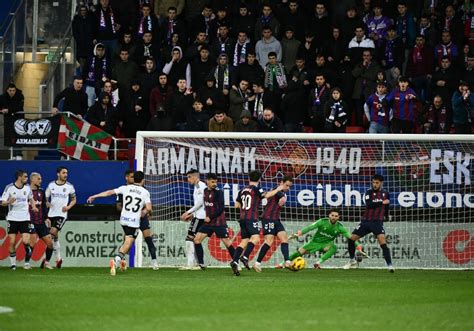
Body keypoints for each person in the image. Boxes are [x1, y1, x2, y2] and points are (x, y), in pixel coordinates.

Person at [87, 171, 152, 276]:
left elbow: (109, 192)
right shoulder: (145, 192)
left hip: (123, 220)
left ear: (134, 179)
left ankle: (122, 261)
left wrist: (95, 196)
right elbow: (148, 208)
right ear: (143, 180)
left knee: (127, 240)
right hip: (133, 222)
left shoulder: (125, 188)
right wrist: (145, 212)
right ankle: (117, 260)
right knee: (128, 242)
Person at [230, 170, 284, 276]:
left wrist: (244, 211)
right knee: (256, 238)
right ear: (259, 179)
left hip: (242, 218)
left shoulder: (242, 190)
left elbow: (236, 205)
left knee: (244, 241)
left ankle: (235, 261)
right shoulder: (256, 188)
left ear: (249, 178)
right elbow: (266, 195)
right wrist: (278, 189)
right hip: (252, 218)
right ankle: (245, 257)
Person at [344, 174, 394, 273]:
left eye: (377, 183)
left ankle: (390, 266)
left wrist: (387, 216)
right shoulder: (368, 192)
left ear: (381, 183)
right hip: (366, 222)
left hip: (377, 223)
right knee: (351, 239)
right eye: (373, 182)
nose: (374, 184)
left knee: (383, 243)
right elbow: (370, 205)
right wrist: (383, 202)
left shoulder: (386, 193)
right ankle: (351, 260)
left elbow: (386, 206)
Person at [288, 209, 366, 269]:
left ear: (339, 217)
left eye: (336, 216)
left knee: (334, 247)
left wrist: (358, 247)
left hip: (326, 245)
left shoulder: (340, 227)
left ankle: (318, 263)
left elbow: (351, 237)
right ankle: (283, 263)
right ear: (329, 215)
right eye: (332, 215)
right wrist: (298, 234)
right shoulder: (322, 222)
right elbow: (309, 228)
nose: (334, 217)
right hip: (314, 242)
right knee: (298, 253)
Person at [116, 170, 158, 270]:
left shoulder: (143, 190)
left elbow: (148, 206)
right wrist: (129, 212)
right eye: (130, 177)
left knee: (148, 238)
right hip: (131, 218)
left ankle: (154, 261)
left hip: (142, 218)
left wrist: (148, 213)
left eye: (133, 177)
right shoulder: (124, 190)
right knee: (127, 241)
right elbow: (118, 206)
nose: (132, 178)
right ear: (127, 178)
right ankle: (122, 260)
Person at [193, 173, 236, 269]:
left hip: (219, 222)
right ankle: (201, 264)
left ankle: (236, 262)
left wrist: (210, 217)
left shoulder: (218, 192)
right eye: (212, 182)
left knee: (227, 243)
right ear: (207, 181)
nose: (214, 184)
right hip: (209, 223)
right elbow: (204, 204)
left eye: (216, 182)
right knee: (196, 240)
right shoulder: (205, 191)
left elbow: (221, 208)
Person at [253, 176, 293, 272]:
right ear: (281, 183)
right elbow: (279, 194)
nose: (288, 188)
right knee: (269, 241)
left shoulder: (280, 191)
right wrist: (282, 197)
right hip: (268, 218)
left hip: (276, 219)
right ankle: (257, 263)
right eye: (286, 185)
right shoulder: (277, 189)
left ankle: (287, 261)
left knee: (284, 238)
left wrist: (283, 197)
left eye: (289, 186)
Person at [1, 170, 37, 270]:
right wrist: (8, 201)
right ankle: (13, 264)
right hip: (12, 218)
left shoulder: (27, 188)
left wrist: (33, 206)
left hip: (25, 218)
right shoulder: (9, 187)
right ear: (19, 177)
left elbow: (31, 199)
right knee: (12, 242)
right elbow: (2, 202)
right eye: (25, 176)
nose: (27, 178)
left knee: (26, 241)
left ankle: (27, 258)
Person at [44, 167, 77, 269]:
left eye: (66, 173)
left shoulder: (69, 186)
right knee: (54, 236)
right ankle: (58, 258)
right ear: (58, 174)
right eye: (63, 173)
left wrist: (68, 207)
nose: (66, 174)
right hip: (51, 214)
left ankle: (48, 261)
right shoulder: (51, 185)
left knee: (52, 232)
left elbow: (74, 200)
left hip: (62, 214)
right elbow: (45, 197)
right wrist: (47, 202)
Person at [180, 169, 206, 270]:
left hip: (200, 218)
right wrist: (192, 214)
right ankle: (199, 264)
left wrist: (188, 212)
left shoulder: (200, 186)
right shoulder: (197, 186)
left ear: (195, 177)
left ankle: (191, 264)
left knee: (190, 238)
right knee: (195, 240)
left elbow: (199, 203)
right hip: (198, 216)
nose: (188, 179)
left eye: (189, 177)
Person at [28, 172, 54, 270]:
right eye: (39, 179)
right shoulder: (26, 191)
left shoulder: (41, 192)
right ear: (33, 179)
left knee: (50, 243)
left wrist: (47, 217)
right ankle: (27, 263)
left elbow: (43, 206)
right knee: (32, 243)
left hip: (41, 222)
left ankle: (46, 262)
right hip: (31, 221)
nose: (40, 180)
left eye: (41, 179)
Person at [0, 83, 25, 159]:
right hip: (9, 119)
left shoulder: (20, 95)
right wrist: (2, 111)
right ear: (7, 90)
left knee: (18, 135)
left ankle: (19, 154)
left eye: (13, 90)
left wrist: (8, 110)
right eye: (10, 91)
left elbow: (19, 107)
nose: (12, 92)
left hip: (18, 119)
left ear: (15, 90)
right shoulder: (2, 97)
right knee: (10, 136)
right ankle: (13, 155)